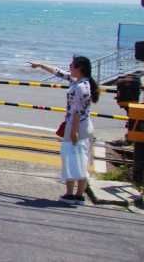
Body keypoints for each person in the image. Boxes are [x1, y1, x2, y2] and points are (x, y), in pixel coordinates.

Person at [29, 56, 100, 205]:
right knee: (80, 159)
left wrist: (73, 131)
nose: (69, 67)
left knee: (71, 158)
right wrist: (41, 65)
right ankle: (79, 195)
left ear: (79, 68)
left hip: (77, 126)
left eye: (72, 65)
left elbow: (77, 111)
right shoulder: (81, 82)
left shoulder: (80, 87)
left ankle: (70, 194)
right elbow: (58, 72)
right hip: (83, 125)